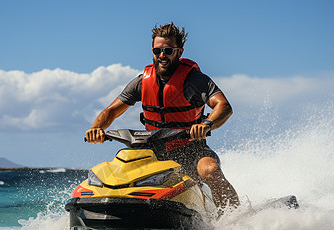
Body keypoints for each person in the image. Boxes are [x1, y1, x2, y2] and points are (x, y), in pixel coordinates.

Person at [86, 23, 239, 210]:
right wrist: (96, 129)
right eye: (157, 50)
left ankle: (235, 219)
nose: (162, 55)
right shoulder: (142, 82)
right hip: (153, 152)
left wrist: (206, 124)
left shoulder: (195, 80)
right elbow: (111, 111)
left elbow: (224, 106)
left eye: (168, 50)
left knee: (210, 171)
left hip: (191, 149)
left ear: (179, 51)